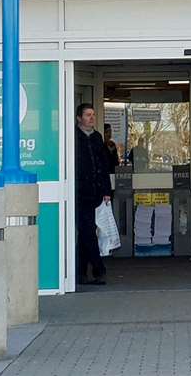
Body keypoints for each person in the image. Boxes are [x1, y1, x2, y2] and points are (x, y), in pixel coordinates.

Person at [73, 103, 112, 286]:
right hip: (80, 194)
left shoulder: (97, 137)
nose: (91, 118)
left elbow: (103, 165)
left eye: (93, 115)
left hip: (96, 192)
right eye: (88, 115)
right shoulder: (73, 136)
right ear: (79, 118)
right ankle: (99, 268)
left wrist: (106, 191)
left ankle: (80, 273)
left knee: (85, 233)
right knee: (88, 231)